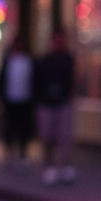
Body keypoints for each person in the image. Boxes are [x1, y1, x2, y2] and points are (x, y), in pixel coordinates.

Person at [34, 30, 76, 185]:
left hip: (63, 103)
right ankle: (49, 167)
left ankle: (65, 166)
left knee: (64, 136)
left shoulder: (68, 60)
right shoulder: (45, 61)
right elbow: (37, 81)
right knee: (47, 136)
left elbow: (73, 80)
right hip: (47, 103)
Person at [0, 38, 34, 164]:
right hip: (10, 100)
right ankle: (9, 152)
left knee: (23, 128)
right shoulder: (8, 61)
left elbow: (33, 79)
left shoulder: (28, 61)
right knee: (10, 127)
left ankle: (23, 153)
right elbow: (1, 79)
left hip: (25, 100)